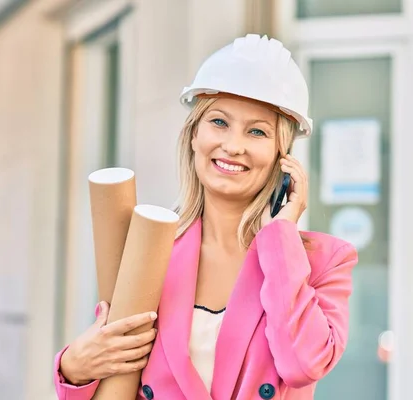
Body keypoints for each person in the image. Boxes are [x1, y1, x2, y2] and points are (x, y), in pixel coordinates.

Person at [54, 33, 358, 400]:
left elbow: (303, 364)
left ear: (283, 154)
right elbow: (112, 373)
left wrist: (281, 239)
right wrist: (73, 368)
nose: (233, 145)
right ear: (193, 136)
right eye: (219, 122)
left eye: (257, 131)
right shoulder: (150, 250)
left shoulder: (323, 262)